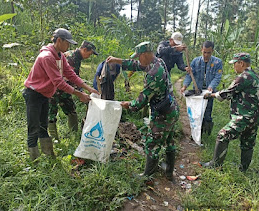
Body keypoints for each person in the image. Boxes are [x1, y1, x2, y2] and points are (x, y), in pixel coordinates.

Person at [22, 28, 99, 161]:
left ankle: (48, 156)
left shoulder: (60, 55)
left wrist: (89, 88)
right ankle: (34, 160)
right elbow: (59, 82)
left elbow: (70, 74)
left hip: (45, 94)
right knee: (33, 127)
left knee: (43, 125)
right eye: (67, 43)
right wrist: (79, 94)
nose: (68, 46)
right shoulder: (47, 57)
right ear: (59, 40)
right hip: (34, 94)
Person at [107, 41, 179, 181]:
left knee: (152, 143)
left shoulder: (154, 74)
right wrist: (118, 61)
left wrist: (127, 104)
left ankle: (148, 175)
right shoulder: (158, 61)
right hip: (171, 108)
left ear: (145, 54)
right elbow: (136, 65)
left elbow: (140, 102)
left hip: (163, 114)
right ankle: (169, 172)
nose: (138, 59)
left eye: (139, 56)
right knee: (169, 141)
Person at [201, 53, 259, 172]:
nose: (233, 66)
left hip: (244, 116)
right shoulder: (254, 75)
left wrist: (211, 95)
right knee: (248, 143)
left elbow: (228, 93)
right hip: (256, 116)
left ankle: (215, 165)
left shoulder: (243, 76)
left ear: (241, 63)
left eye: (235, 63)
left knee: (223, 135)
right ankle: (243, 169)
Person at [48, 41, 98, 140]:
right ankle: (55, 140)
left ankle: (74, 135)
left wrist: (86, 89)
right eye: (90, 53)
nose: (90, 56)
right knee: (51, 114)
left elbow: (74, 76)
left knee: (71, 109)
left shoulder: (77, 57)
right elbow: (68, 78)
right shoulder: (71, 58)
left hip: (65, 89)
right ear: (84, 50)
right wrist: (81, 93)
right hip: (55, 88)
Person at [180, 41, 223, 134]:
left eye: (209, 52)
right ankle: (196, 132)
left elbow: (217, 77)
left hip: (208, 92)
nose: (206, 55)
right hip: (197, 90)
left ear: (212, 51)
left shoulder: (217, 62)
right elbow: (190, 75)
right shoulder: (196, 61)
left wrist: (211, 87)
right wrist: (185, 86)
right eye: (204, 52)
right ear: (201, 50)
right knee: (197, 113)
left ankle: (206, 132)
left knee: (207, 112)